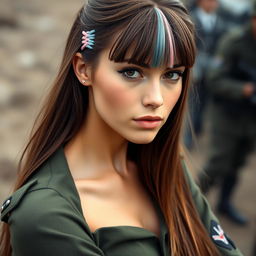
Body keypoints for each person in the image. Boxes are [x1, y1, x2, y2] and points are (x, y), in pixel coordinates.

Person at [0, 0, 243, 255]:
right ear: (84, 69)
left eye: (172, 75)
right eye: (131, 72)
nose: (156, 98)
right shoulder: (44, 214)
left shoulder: (166, 166)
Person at [198, 0, 256, 225]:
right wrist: (243, 88)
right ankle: (189, 203)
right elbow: (213, 79)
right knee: (218, 162)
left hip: (250, 118)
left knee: (238, 163)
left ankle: (224, 204)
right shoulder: (234, 42)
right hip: (227, 114)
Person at [184, 0, 226, 149]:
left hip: (212, 71)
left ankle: (197, 130)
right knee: (192, 104)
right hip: (195, 68)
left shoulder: (220, 22)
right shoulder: (190, 19)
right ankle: (187, 139)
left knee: (204, 104)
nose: (213, 3)